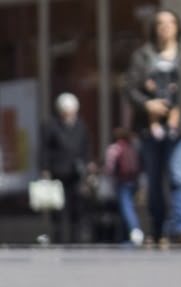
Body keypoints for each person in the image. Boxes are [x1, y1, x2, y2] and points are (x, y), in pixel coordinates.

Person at [125, 8, 181, 246]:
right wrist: (147, 105)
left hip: (178, 130)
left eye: (170, 22)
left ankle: (180, 227)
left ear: (177, 27)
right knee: (153, 181)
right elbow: (129, 89)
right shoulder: (143, 56)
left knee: (178, 176)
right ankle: (158, 228)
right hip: (148, 129)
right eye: (160, 23)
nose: (165, 27)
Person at [40, 92, 93, 244]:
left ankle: (76, 239)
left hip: (76, 172)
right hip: (58, 171)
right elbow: (45, 148)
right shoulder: (51, 125)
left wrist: (87, 164)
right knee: (58, 209)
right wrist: (45, 168)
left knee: (77, 207)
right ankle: (58, 238)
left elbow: (86, 147)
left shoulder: (81, 125)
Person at [103, 127, 143, 246]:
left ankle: (134, 230)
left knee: (126, 207)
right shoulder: (132, 146)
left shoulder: (114, 148)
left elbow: (109, 167)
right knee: (129, 205)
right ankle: (127, 234)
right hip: (132, 181)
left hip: (121, 181)